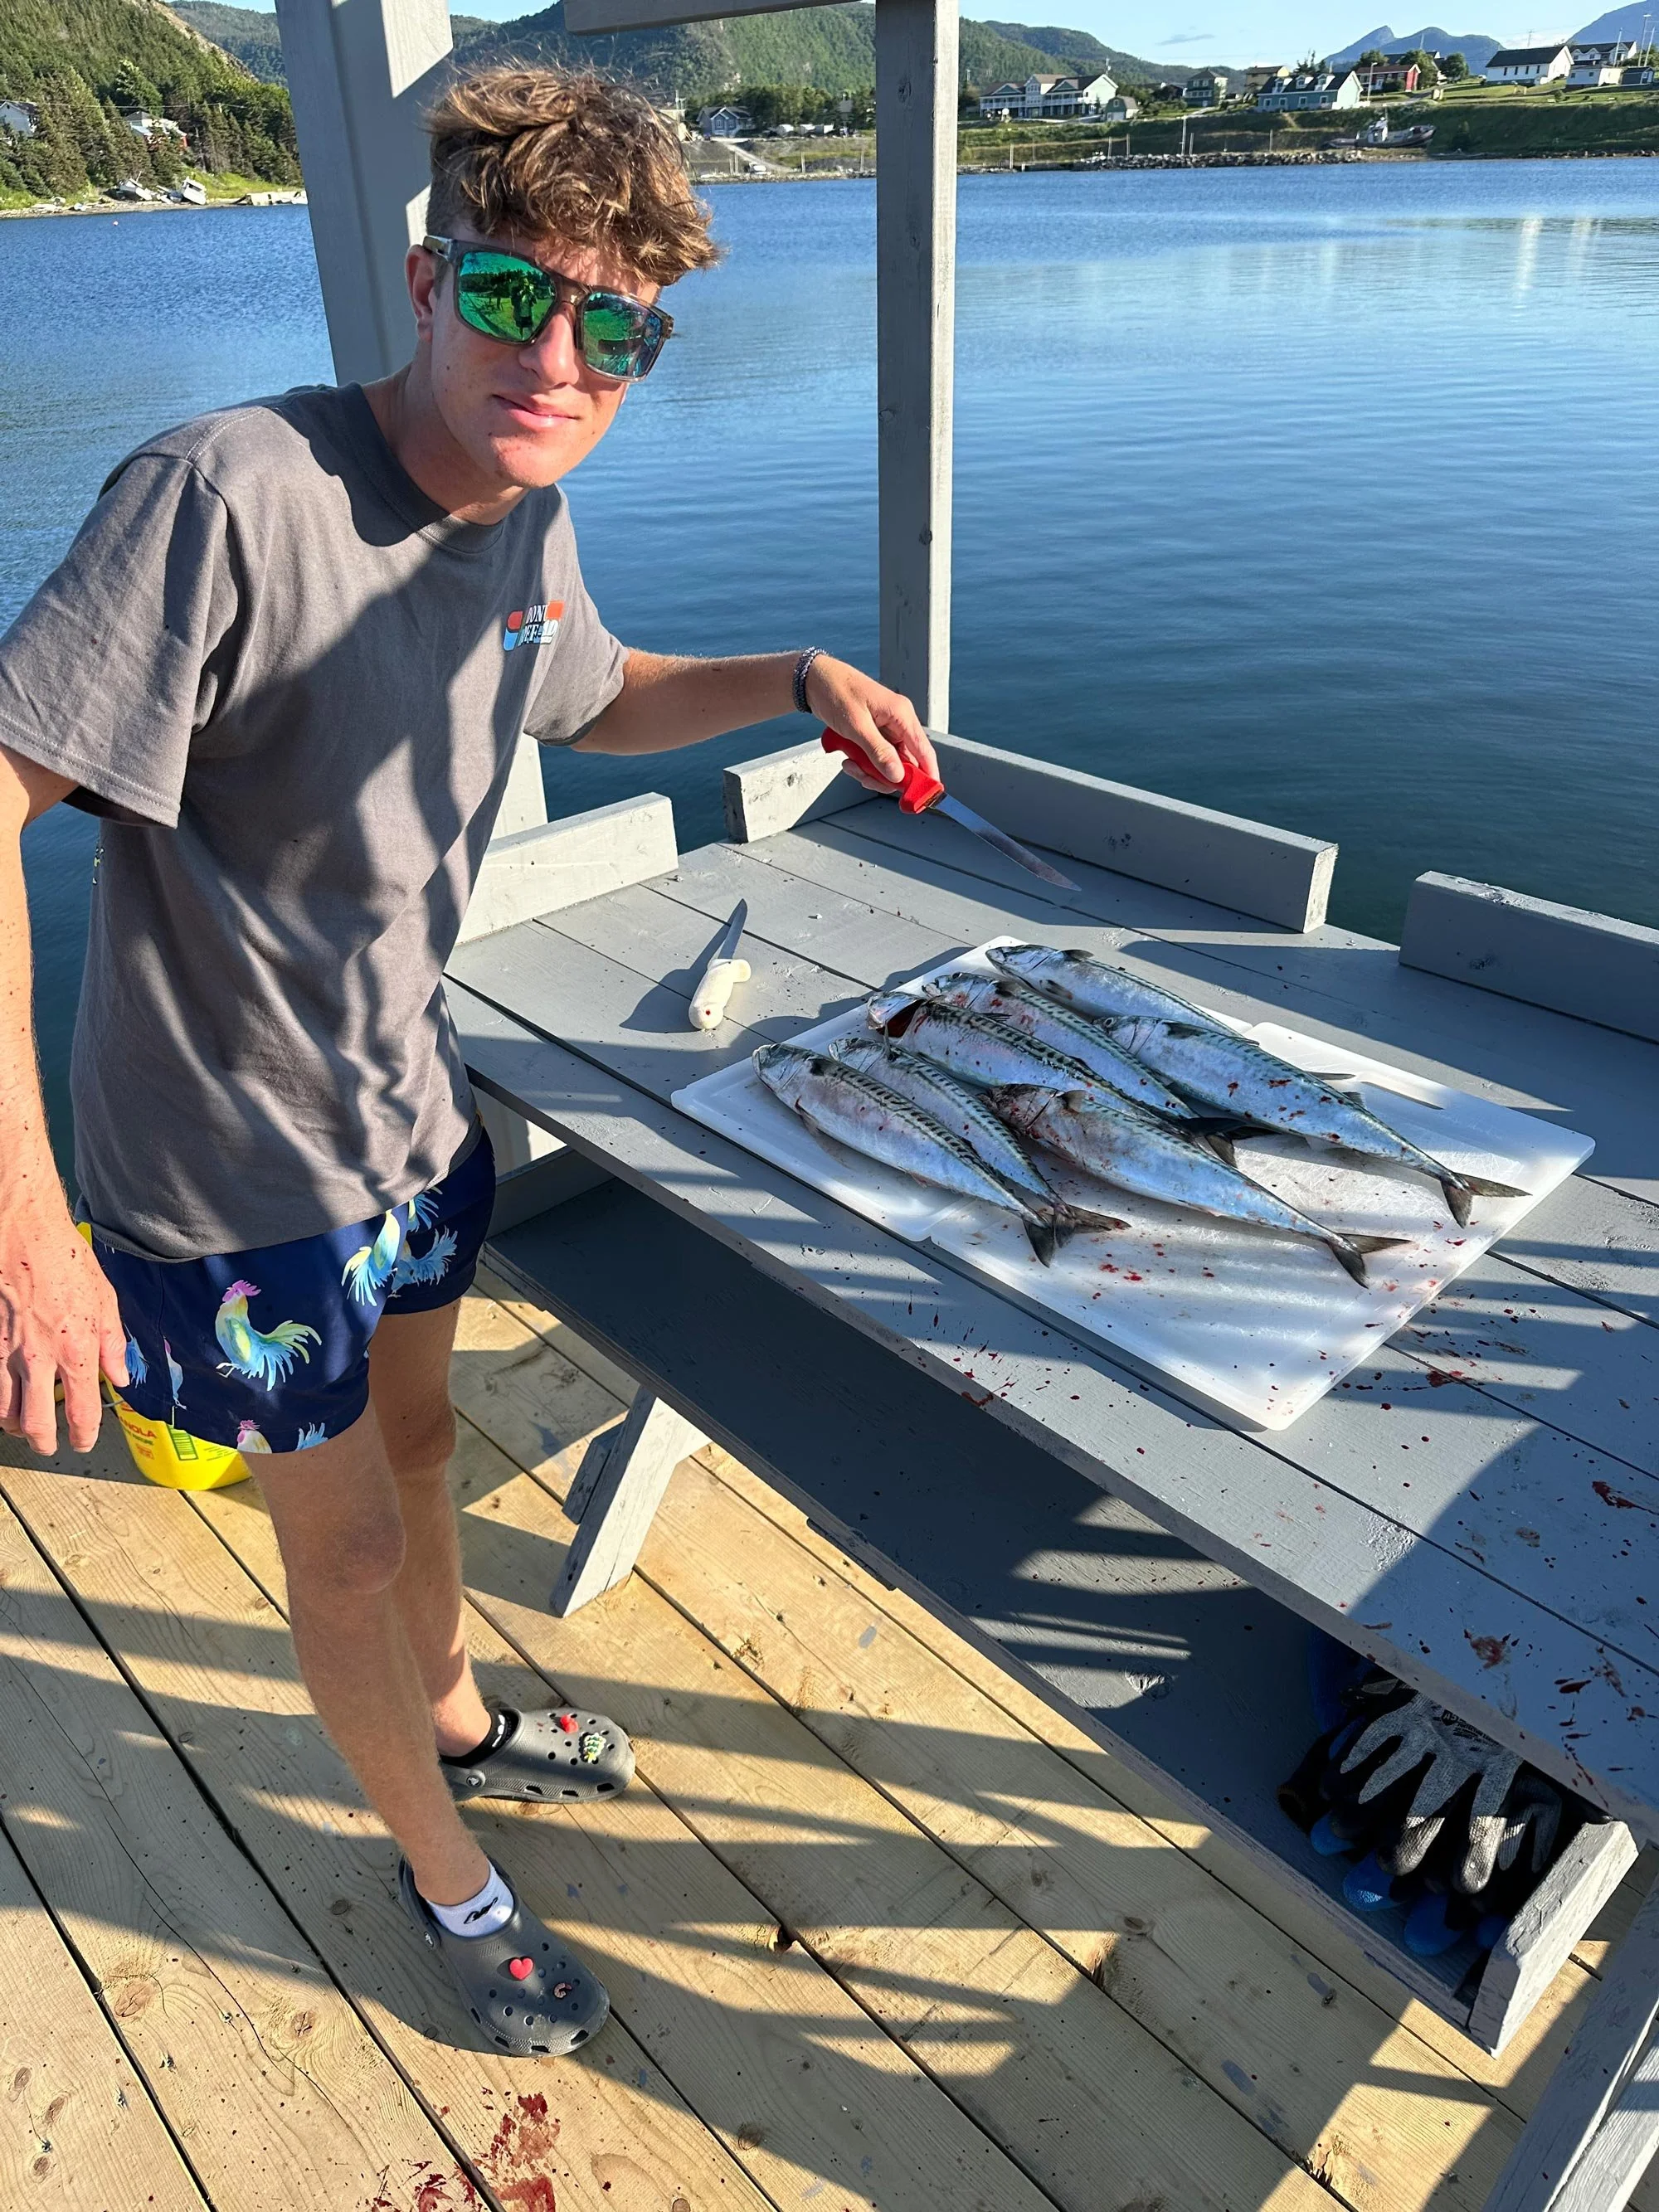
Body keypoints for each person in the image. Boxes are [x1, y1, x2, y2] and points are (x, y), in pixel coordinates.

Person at [0, 66, 936, 2057]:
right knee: (339, 1542)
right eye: (516, 296)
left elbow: (588, 696)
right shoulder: (225, 491)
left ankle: (455, 1715)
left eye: (616, 325)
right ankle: (456, 1885)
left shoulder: (531, 510)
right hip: (222, 1176)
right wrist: (25, 1221)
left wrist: (790, 677)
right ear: (428, 283)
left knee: (425, 1454)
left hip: (409, 1129)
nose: (560, 353)